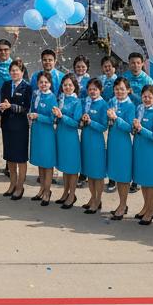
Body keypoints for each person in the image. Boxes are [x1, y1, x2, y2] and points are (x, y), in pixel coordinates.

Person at [0, 60, 30, 200]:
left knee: (21, 158)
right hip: (7, 125)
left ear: (22, 72)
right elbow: (1, 102)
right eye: (12, 70)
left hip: (20, 127)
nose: (14, 72)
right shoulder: (6, 85)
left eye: (17, 70)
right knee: (10, 157)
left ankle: (20, 186)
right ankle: (12, 184)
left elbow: (26, 108)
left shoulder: (27, 87)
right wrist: (2, 106)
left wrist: (10, 106)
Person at [132, 85, 153, 225]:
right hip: (139, 148)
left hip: (150, 151)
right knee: (143, 181)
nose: (147, 99)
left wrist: (141, 129)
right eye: (144, 96)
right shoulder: (139, 108)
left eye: (150, 97)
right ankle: (146, 206)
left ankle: (151, 210)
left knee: (150, 182)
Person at [106, 77, 136, 220]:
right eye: (117, 89)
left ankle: (123, 205)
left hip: (123, 144)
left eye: (122, 89)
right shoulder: (112, 102)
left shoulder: (130, 106)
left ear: (128, 90)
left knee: (123, 177)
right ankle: (121, 204)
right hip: (113, 141)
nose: (119, 91)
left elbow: (129, 128)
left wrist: (116, 118)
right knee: (117, 175)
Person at [53, 73, 82, 208]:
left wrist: (61, 116)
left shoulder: (77, 102)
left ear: (75, 86)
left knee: (72, 167)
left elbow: (76, 123)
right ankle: (65, 192)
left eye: (70, 85)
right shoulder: (61, 99)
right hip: (60, 135)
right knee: (64, 166)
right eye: (65, 85)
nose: (68, 87)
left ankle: (72, 195)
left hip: (71, 137)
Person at [79, 78, 108, 213]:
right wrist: (82, 120)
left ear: (100, 90)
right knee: (89, 171)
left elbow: (103, 126)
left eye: (95, 89)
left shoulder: (103, 104)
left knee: (97, 173)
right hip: (85, 140)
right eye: (90, 89)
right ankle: (93, 198)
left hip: (96, 142)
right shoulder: (86, 102)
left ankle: (98, 200)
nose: (92, 91)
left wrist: (90, 122)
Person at [28, 71, 57, 205]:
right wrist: (31, 115)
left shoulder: (52, 98)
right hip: (37, 132)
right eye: (41, 82)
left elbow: (52, 119)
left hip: (47, 134)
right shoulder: (36, 95)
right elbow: (32, 110)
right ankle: (41, 189)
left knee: (47, 163)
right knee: (40, 162)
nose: (43, 84)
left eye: (46, 82)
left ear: (50, 84)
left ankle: (47, 191)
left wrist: (38, 116)